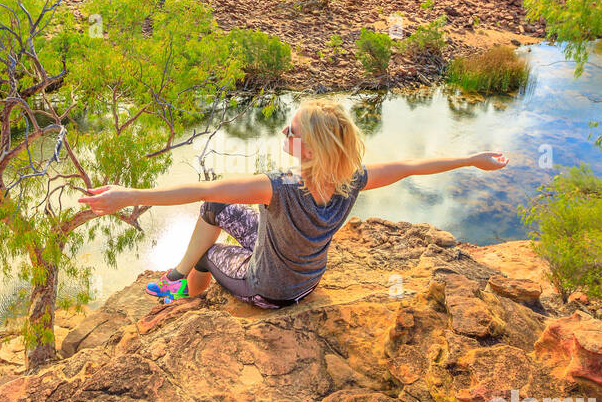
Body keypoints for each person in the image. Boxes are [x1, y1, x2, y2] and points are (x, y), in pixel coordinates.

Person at [76, 97, 509, 310]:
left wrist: (128, 197)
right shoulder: (352, 179)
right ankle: (173, 276)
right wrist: (472, 159)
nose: (285, 133)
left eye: (292, 131)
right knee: (216, 211)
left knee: (207, 252)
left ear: (311, 146)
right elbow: (413, 167)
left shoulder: (277, 187)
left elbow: (196, 189)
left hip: (269, 291)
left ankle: (187, 300)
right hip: (307, 284)